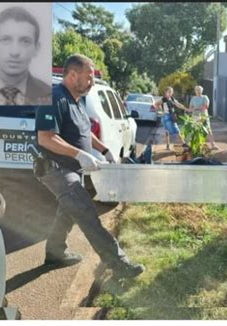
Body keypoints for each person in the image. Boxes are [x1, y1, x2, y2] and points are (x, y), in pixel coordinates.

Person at [34, 54, 145, 279]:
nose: (92, 82)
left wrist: (104, 150)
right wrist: (80, 154)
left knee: (68, 210)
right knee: (85, 211)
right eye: (89, 77)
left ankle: (55, 252)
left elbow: (84, 131)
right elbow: (45, 138)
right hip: (55, 168)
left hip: (72, 168)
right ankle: (120, 263)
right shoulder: (54, 97)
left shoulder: (79, 99)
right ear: (73, 75)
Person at [0, 6, 51, 105]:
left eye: (25, 41)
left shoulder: (48, 95)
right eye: (5, 40)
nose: (14, 52)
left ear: (36, 48)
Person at [189, 85, 218, 150]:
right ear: (195, 91)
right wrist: (194, 109)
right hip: (195, 117)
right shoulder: (193, 98)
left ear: (202, 91)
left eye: (199, 90)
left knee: (208, 129)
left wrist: (195, 108)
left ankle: (213, 145)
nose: (198, 91)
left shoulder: (205, 97)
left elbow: (205, 107)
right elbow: (190, 108)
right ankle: (196, 145)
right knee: (195, 131)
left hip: (203, 116)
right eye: (197, 90)